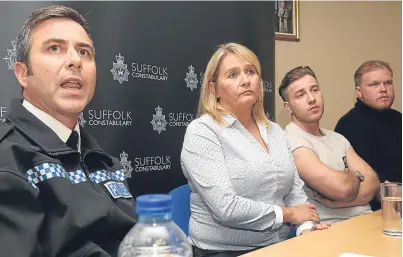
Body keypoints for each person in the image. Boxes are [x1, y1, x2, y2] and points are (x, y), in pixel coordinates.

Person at [0, 5, 137, 256]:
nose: (75, 60)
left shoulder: (103, 162)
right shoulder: (8, 161)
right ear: (22, 73)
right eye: (55, 48)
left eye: (84, 52)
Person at [181, 43, 329, 257]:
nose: (245, 80)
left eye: (250, 72)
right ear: (215, 89)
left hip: (278, 247)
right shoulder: (202, 132)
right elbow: (226, 208)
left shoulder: (275, 131)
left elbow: (294, 191)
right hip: (223, 251)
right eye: (233, 75)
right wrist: (289, 215)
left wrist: (306, 229)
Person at [279, 66, 380, 224]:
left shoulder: (337, 138)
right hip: (330, 230)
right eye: (300, 95)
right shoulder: (290, 140)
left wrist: (339, 201)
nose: (312, 99)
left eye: (315, 90)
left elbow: (373, 182)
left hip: (367, 221)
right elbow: (342, 188)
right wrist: (357, 177)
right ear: (288, 107)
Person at [335, 60, 402, 211]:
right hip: (371, 210)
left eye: (388, 83)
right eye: (374, 84)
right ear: (359, 92)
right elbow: (367, 178)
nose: (383, 89)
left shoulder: (398, 119)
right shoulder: (349, 124)